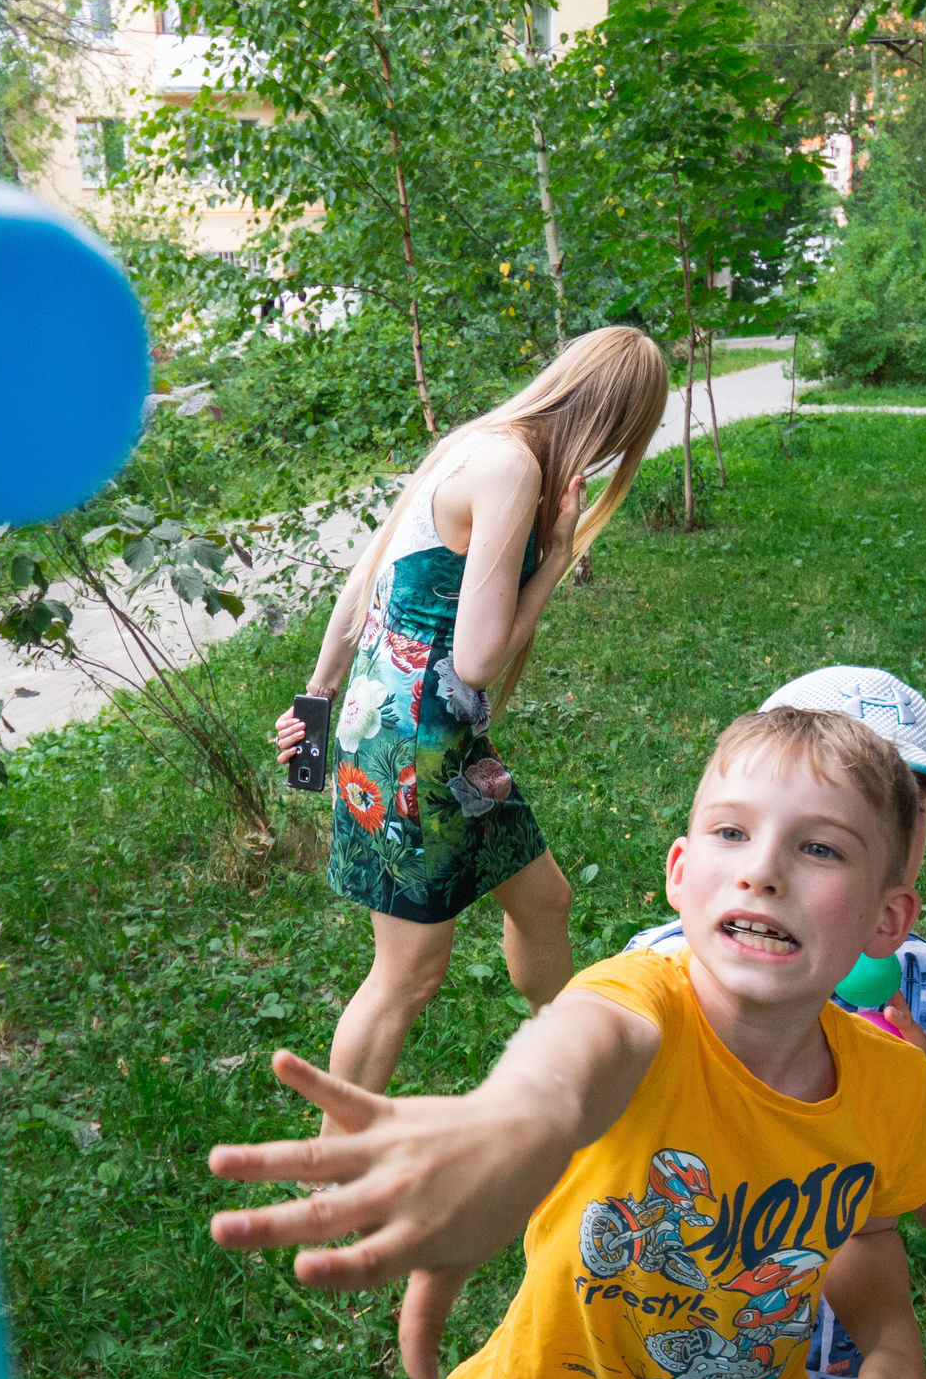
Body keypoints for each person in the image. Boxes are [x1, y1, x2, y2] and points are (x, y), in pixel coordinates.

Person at [209, 708, 926, 1379]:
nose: (762, 869)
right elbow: (579, 1049)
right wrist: (513, 1121)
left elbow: (868, 1230)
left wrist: (892, 1337)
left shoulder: (890, 1084)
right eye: (731, 832)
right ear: (681, 874)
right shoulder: (643, 998)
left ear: (888, 918)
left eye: (818, 847)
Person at [599, 666, 926, 1379]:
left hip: (829, 1377)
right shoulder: (674, 966)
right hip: (680, 1359)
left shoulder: (925, 988)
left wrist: (901, 1074)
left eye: (913, 798)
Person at [272, 326, 669, 1094]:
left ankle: (568, 1075)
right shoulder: (512, 466)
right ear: (619, 422)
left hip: (433, 737)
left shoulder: (484, 443)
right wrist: (556, 559)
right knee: (408, 975)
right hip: (414, 750)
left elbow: (368, 572)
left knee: (546, 898)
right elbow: (477, 661)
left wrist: (319, 694)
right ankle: (333, 1166)